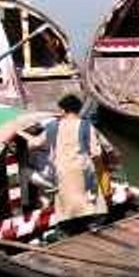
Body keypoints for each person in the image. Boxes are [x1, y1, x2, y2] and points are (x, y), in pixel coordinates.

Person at [21, 94, 117, 234]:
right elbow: (96, 152)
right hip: (84, 169)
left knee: (66, 201)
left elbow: (34, 143)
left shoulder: (53, 127)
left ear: (64, 110)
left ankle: (68, 226)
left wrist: (22, 136)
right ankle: (93, 224)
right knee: (90, 201)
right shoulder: (86, 125)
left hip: (61, 171)